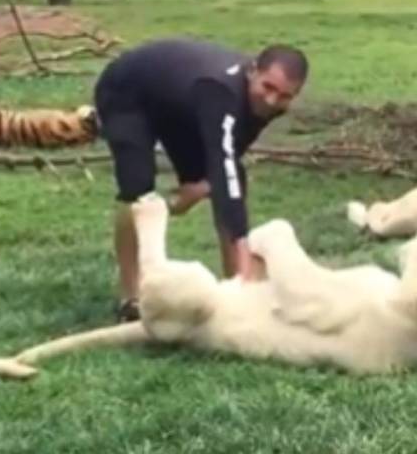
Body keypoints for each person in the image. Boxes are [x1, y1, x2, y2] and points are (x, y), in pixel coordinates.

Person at [93, 38, 308, 322]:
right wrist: (245, 252)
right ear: (252, 71)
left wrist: (200, 188)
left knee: (230, 180)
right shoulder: (220, 91)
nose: (271, 100)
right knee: (137, 190)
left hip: (180, 107)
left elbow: (228, 165)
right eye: (267, 87)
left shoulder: (265, 103)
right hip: (128, 91)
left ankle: (235, 290)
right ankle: (130, 298)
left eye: (284, 96)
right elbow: (223, 167)